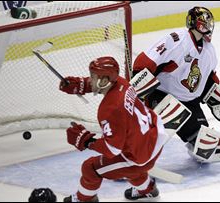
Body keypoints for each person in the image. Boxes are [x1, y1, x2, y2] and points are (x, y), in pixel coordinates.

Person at [131, 6, 220, 163]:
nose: (208, 27)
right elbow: (143, 64)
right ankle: (132, 156)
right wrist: (137, 92)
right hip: (162, 96)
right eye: (204, 24)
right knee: (168, 119)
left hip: (189, 102)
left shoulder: (209, 52)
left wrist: (219, 95)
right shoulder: (175, 41)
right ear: (194, 24)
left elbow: (207, 82)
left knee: (209, 150)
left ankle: (187, 137)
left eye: (209, 24)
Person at [59, 56, 169, 202]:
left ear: (104, 81)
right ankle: (147, 190)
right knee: (128, 166)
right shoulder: (122, 82)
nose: (90, 80)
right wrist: (82, 85)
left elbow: (112, 149)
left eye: (92, 77)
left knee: (90, 168)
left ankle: (84, 199)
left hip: (140, 155)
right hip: (153, 137)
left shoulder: (109, 109)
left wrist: (86, 141)